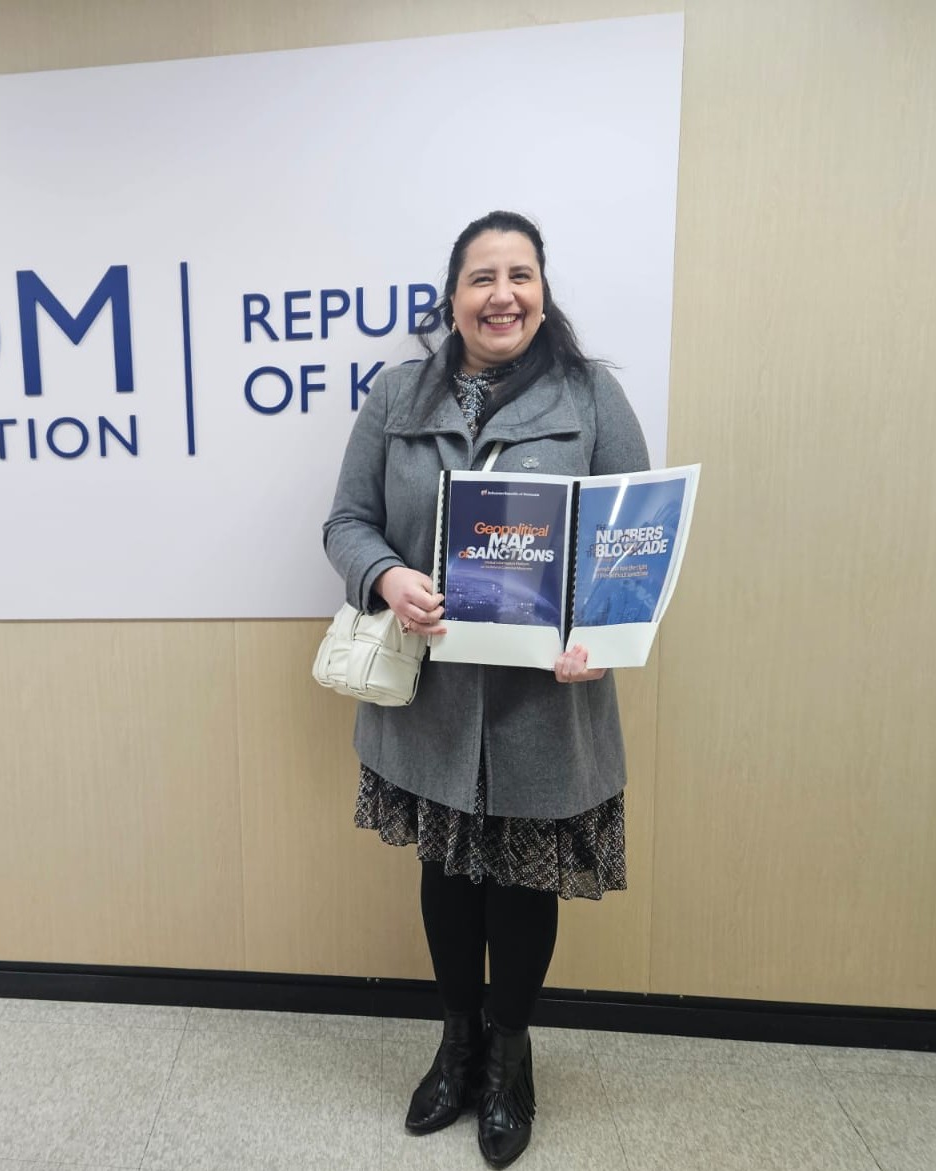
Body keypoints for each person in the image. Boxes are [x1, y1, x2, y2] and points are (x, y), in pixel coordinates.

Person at [322, 210, 649, 1168]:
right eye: (481, 277)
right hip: (431, 696)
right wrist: (387, 575)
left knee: (521, 883)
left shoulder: (590, 396)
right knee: (448, 874)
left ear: (542, 290)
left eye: (520, 275)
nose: (502, 294)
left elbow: (630, 539)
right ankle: (456, 1043)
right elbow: (347, 522)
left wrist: (599, 635)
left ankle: (509, 1056)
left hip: (544, 700)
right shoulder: (397, 396)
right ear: (453, 296)